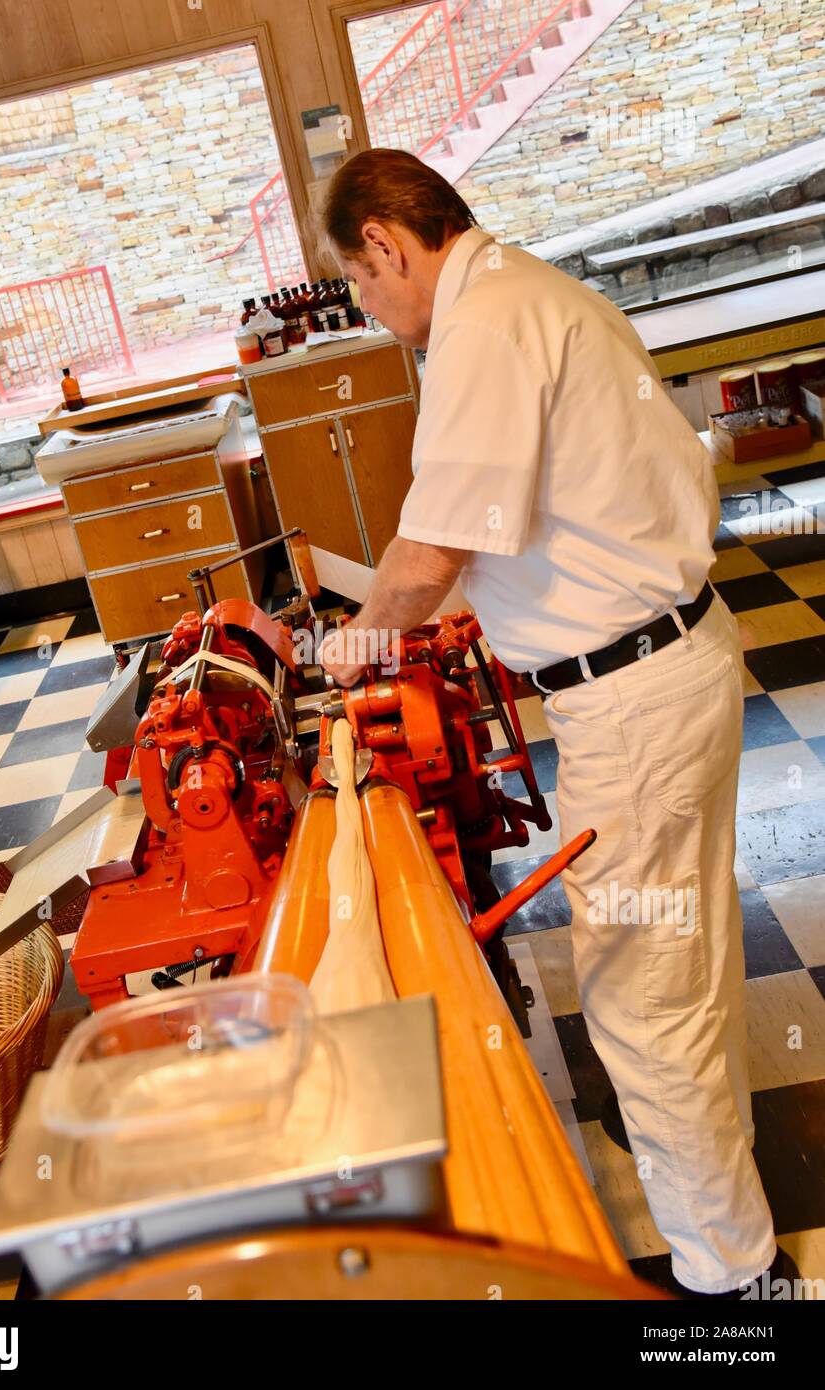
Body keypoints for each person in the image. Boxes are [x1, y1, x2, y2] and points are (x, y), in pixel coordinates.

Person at [316, 147, 783, 1298]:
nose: (372, 315)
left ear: (382, 241)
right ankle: (725, 1191)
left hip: (629, 705)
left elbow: (429, 557)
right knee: (687, 956)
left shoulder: (481, 327)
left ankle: (728, 1280)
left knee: (641, 993)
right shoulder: (534, 289)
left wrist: (352, 645)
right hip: (678, 660)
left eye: (361, 287)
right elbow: (546, 513)